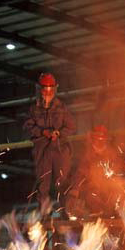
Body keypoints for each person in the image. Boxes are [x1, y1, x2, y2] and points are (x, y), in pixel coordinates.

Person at [22, 73, 75, 212]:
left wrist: (59, 133)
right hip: (42, 149)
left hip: (59, 149)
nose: (47, 94)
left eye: (50, 90)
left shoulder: (61, 108)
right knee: (43, 183)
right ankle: (44, 213)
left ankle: (65, 211)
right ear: (40, 90)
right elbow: (27, 127)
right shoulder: (33, 109)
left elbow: (71, 127)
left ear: (54, 90)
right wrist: (42, 132)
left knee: (62, 181)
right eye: (45, 90)